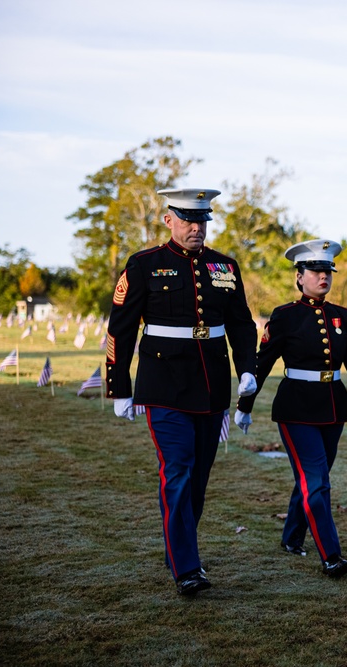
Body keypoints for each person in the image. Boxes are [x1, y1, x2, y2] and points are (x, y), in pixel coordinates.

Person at [105, 188, 259, 595]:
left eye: (203, 220)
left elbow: (242, 324)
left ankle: (179, 545)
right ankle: (187, 568)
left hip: (211, 387)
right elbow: (120, 329)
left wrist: (247, 370)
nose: (197, 227)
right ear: (169, 219)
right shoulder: (144, 265)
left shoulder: (225, 266)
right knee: (178, 469)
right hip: (163, 386)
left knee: (198, 479)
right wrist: (119, 387)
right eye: (188, 220)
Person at [235, 239, 347, 579]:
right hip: (296, 408)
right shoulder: (284, 316)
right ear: (299, 277)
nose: (323, 277)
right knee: (317, 481)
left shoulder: (342, 316)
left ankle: (291, 538)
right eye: (315, 271)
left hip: (332, 406)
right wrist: (244, 405)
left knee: (313, 478)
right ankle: (331, 555)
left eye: (327, 271)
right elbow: (262, 362)